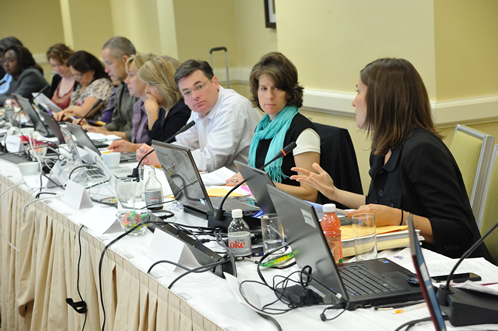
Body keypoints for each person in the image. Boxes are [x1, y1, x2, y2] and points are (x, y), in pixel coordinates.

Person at [292, 58, 492, 260]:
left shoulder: (422, 150)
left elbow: (460, 233)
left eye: (359, 91)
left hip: (451, 271)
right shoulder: (383, 147)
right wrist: (334, 193)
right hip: (406, 260)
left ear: (381, 98)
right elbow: (381, 205)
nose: (353, 101)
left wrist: (400, 218)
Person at [225, 52, 320, 202]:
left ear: (289, 93)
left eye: (276, 88)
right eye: (263, 88)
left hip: (292, 213)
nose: (269, 96)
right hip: (265, 206)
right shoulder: (262, 129)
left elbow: (310, 193)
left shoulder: (302, 132)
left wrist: (260, 183)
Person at [136, 59, 261, 172]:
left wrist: (163, 159)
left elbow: (211, 160)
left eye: (199, 87)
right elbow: (184, 144)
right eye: (187, 92)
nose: (195, 96)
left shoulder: (232, 106)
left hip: (247, 189)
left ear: (215, 83)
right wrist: (157, 153)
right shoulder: (199, 109)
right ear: (183, 98)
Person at [107, 55, 191, 152]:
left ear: (166, 83)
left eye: (150, 84)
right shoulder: (164, 108)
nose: (146, 90)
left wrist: (152, 113)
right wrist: (132, 147)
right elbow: (152, 144)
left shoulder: (182, 109)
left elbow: (162, 150)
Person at [82, 36, 138, 140]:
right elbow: (116, 123)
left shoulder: (141, 89)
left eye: (109, 63)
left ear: (124, 60)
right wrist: (98, 129)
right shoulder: (121, 88)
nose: (106, 70)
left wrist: (105, 133)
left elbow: (139, 134)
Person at [53, 51, 113, 121]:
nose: (77, 79)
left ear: (92, 69)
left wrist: (70, 109)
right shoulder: (81, 85)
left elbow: (85, 112)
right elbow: (73, 112)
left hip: (96, 128)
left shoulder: (101, 84)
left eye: (79, 75)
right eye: (74, 76)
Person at [46, 43, 78, 109]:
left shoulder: (79, 80)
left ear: (69, 60)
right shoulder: (56, 78)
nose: (57, 69)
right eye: (54, 66)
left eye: (60, 64)